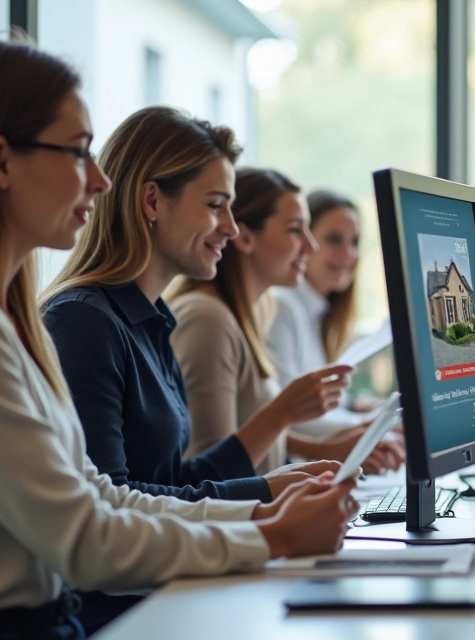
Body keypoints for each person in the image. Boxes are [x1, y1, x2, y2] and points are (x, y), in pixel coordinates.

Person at [0, 39, 355, 640]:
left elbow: (99, 494)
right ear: (2, 161)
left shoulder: (12, 321)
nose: (98, 180)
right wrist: (269, 534)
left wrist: (259, 510)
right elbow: (87, 537)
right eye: (76, 154)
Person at [43, 107, 347, 505]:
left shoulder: (152, 321)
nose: (231, 228)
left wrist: (282, 479)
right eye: (215, 205)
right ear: (152, 200)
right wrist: (264, 492)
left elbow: (174, 481)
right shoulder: (83, 322)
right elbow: (106, 503)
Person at [168, 168, 401, 473]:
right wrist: (316, 457)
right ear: (246, 237)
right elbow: (212, 475)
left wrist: (324, 454)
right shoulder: (208, 318)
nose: (310, 246)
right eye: (295, 230)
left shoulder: (252, 313)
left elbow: (246, 442)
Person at [266, 189, 404, 470]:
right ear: (304, 242)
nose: (349, 253)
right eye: (334, 239)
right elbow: (293, 414)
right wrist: (373, 425)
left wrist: (356, 407)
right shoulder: (282, 306)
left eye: (354, 242)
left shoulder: (317, 314)